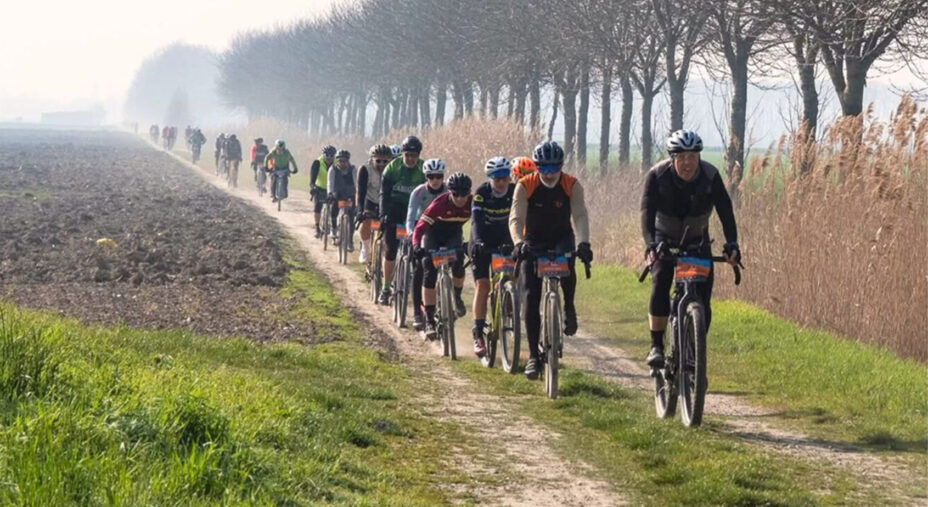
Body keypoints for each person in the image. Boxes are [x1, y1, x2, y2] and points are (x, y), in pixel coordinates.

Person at [640, 129, 740, 368]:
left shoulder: (710, 175)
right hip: (664, 237)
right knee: (661, 279)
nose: (688, 163)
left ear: (699, 158)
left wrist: (732, 243)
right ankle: (656, 346)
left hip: (697, 239)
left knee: (703, 299)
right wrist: (650, 245)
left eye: (693, 157)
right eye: (682, 157)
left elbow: (726, 212)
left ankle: (694, 348)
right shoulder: (657, 175)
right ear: (673, 158)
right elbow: (646, 212)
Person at [509, 141, 592, 379]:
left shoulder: (571, 184)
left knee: (568, 262)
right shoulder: (525, 185)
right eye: (544, 168)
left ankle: (569, 307)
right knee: (530, 296)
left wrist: (584, 242)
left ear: (561, 167)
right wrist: (518, 243)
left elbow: (580, 214)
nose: (549, 174)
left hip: (561, 237)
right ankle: (534, 357)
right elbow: (516, 218)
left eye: (554, 168)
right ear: (536, 167)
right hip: (532, 241)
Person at [412, 172, 472, 340]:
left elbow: (478, 225)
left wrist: (473, 243)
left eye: (464, 194)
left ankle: (457, 296)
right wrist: (416, 245)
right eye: (456, 194)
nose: (460, 198)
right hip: (433, 237)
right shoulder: (439, 204)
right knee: (429, 272)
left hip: (454, 235)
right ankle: (429, 318)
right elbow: (420, 228)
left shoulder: (472, 202)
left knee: (459, 262)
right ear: (450, 192)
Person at [470, 157, 515, 357]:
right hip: (482, 241)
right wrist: (479, 241)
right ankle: (478, 333)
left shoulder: (514, 192)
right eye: (497, 179)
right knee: (483, 285)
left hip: (505, 239)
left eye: (504, 178)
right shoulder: (481, 193)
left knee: (511, 277)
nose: (501, 183)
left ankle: (508, 305)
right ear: (490, 178)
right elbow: (476, 222)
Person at [378, 135, 425, 305]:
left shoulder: (423, 169)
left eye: (414, 156)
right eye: (407, 155)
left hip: (415, 211)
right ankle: (385, 288)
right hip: (394, 208)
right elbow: (383, 193)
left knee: (418, 253)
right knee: (390, 250)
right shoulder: (392, 168)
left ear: (418, 156)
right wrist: (383, 215)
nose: (410, 159)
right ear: (402, 154)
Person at [405, 158, 447, 331]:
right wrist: (410, 234)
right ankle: (417, 312)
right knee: (420, 268)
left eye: (439, 176)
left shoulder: (449, 191)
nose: (435, 180)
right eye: (431, 176)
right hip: (422, 230)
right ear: (426, 176)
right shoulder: (418, 192)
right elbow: (410, 216)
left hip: (443, 229)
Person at [357, 144, 392, 264]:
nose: (382, 164)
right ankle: (365, 248)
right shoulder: (365, 169)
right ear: (372, 159)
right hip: (370, 199)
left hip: (386, 201)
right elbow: (361, 192)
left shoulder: (393, 169)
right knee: (366, 220)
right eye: (378, 161)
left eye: (385, 161)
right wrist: (360, 211)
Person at [327, 150, 357, 250]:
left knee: (352, 217)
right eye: (341, 161)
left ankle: (350, 241)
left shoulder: (353, 169)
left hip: (350, 194)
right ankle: (333, 228)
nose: (343, 163)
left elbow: (356, 183)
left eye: (345, 161)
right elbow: (330, 182)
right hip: (337, 193)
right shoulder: (333, 169)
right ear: (337, 161)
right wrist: (330, 193)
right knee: (334, 206)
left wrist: (358, 195)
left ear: (348, 161)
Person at [311, 145, 337, 237]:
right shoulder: (317, 162)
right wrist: (313, 187)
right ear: (323, 154)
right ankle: (317, 228)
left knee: (335, 207)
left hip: (333, 189)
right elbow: (312, 178)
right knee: (317, 207)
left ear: (334, 156)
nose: (329, 157)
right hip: (320, 188)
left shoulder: (337, 163)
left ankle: (334, 227)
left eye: (331, 155)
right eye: (327, 155)